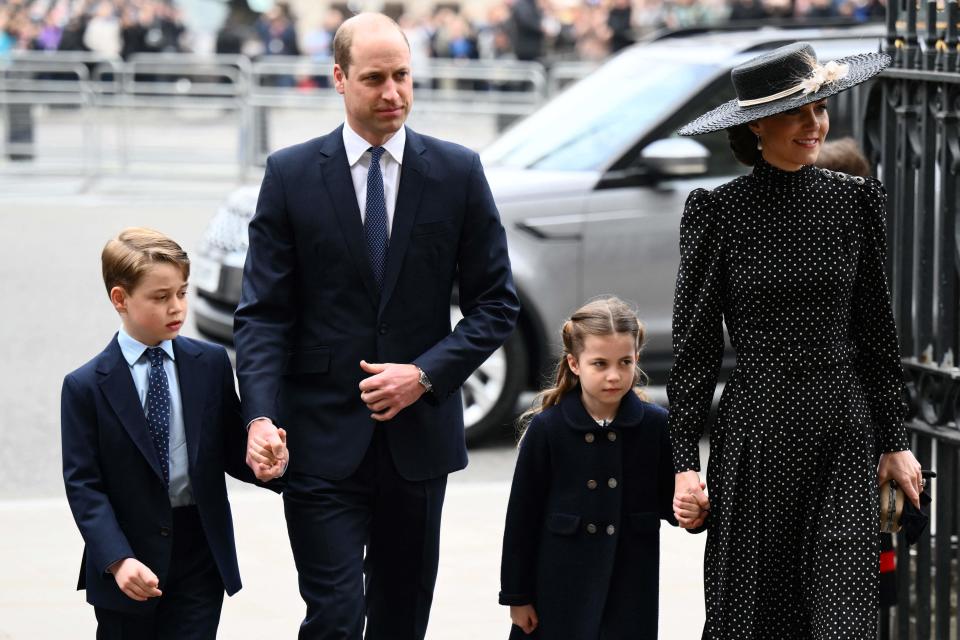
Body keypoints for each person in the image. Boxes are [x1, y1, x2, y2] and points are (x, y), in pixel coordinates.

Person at [233, 12, 520, 640]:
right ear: (339, 78)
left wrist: (424, 374)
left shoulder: (457, 172)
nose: (392, 94)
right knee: (334, 618)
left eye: (402, 76)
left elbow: (496, 304)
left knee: (401, 620)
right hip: (318, 440)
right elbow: (262, 315)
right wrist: (258, 416)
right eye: (374, 79)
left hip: (418, 445)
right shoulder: (289, 175)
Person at [670, 42, 924, 638]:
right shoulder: (718, 212)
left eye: (821, 108)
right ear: (756, 123)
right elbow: (695, 349)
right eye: (798, 112)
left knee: (843, 618)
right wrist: (684, 464)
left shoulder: (855, 200)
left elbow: (876, 335)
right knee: (757, 617)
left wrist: (895, 439)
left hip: (842, 429)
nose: (816, 125)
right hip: (759, 432)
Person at [60, 227, 287, 640]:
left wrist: (263, 463)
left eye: (182, 292)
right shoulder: (85, 386)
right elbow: (84, 487)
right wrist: (117, 560)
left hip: (199, 553)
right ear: (120, 299)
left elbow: (228, 449)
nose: (176, 307)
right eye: (160, 297)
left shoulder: (211, 362)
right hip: (128, 561)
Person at [499, 297, 702, 639]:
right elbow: (521, 518)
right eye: (600, 363)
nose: (614, 375)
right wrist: (517, 597)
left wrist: (694, 512)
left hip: (629, 587)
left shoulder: (655, 426)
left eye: (625, 362)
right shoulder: (548, 430)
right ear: (574, 364)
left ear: (637, 359)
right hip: (558, 587)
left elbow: (674, 500)